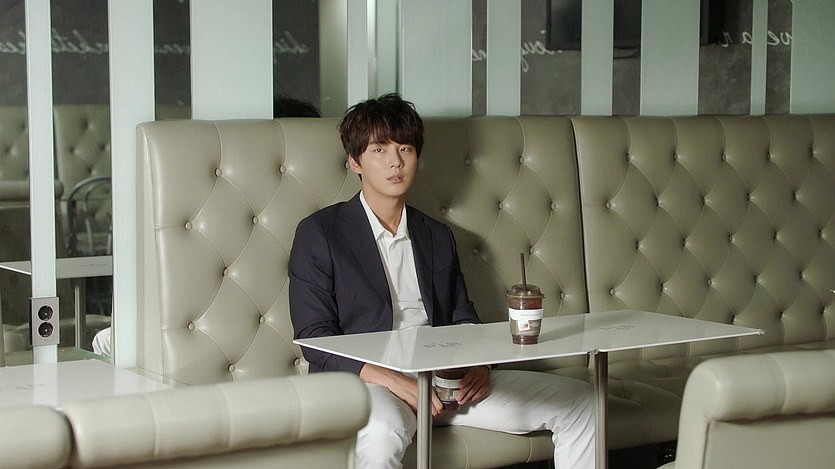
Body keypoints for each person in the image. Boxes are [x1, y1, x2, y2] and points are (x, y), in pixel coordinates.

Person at [289, 93, 595, 468]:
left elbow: (463, 318)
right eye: (379, 150)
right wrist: (393, 380)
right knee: (384, 430)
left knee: (582, 402)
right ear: (355, 161)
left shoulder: (435, 235)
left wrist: (479, 366)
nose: (395, 162)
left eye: (405, 148)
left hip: (444, 382)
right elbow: (315, 337)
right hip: (368, 383)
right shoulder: (321, 232)